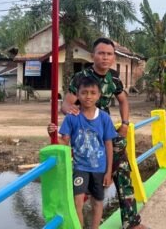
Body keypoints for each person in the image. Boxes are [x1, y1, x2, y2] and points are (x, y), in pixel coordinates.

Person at [60, 37, 147, 229]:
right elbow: (66, 104)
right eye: (101, 53)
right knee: (85, 183)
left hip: (106, 132)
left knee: (123, 172)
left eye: (109, 54)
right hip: (86, 135)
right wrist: (72, 112)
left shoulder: (114, 78)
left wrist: (125, 123)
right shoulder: (81, 77)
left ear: (113, 57)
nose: (105, 57)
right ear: (93, 56)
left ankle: (131, 222)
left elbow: (123, 100)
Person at [48, 76, 117, 229]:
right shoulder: (72, 118)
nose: (88, 96)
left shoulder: (104, 118)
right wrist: (53, 135)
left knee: (97, 202)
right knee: (77, 202)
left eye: (93, 93)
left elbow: (108, 145)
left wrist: (109, 171)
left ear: (99, 95)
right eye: (84, 92)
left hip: (99, 168)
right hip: (80, 168)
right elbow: (64, 142)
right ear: (77, 95)